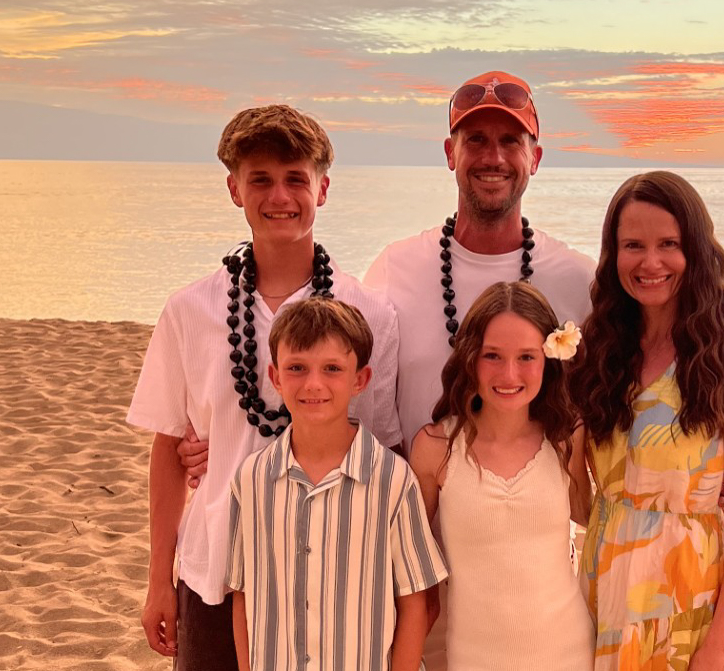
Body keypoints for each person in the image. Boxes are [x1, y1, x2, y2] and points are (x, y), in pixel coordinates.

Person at [127, 104, 401, 670]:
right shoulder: (189, 310)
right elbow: (168, 449)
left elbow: (382, 447)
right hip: (215, 568)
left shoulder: (369, 312)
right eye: (261, 180)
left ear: (322, 189)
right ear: (235, 189)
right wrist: (159, 578)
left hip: (330, 576)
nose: (280, 196)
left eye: (296, 178)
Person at [572, 171, 724, 671]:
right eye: (633, 245)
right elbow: (581, 502)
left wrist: (721, 644)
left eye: (670, 244)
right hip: (605, 595)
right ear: (613, 254)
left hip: (693, 602)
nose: (651, 262)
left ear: (697, 252)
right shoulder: (599, 351)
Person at [364, 70, 595, 446]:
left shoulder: (578, 279)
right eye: (476, 140)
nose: (494, 158)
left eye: (510, 141)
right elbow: (360, 406)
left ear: (534, 159)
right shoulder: (394, 270)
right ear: (450, 153)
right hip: (416, 503)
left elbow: (623, 401)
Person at [227, 298, 447, 671]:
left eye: (332, 368)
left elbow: (417, 601)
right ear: (276, 376)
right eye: (297, 368)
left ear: (360, 379)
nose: (314, 384)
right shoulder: (251, 479)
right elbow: (243, 594)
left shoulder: (391, 479)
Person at [408, 282, 594, 670]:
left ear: (548, 359)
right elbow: (411, 568)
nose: (509, 374)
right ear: (470, 358)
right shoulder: (436, 448)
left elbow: (597, 522)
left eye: (526, 356)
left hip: (569, 653)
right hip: (473, 658)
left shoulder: (566, 439)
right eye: (492, 355)